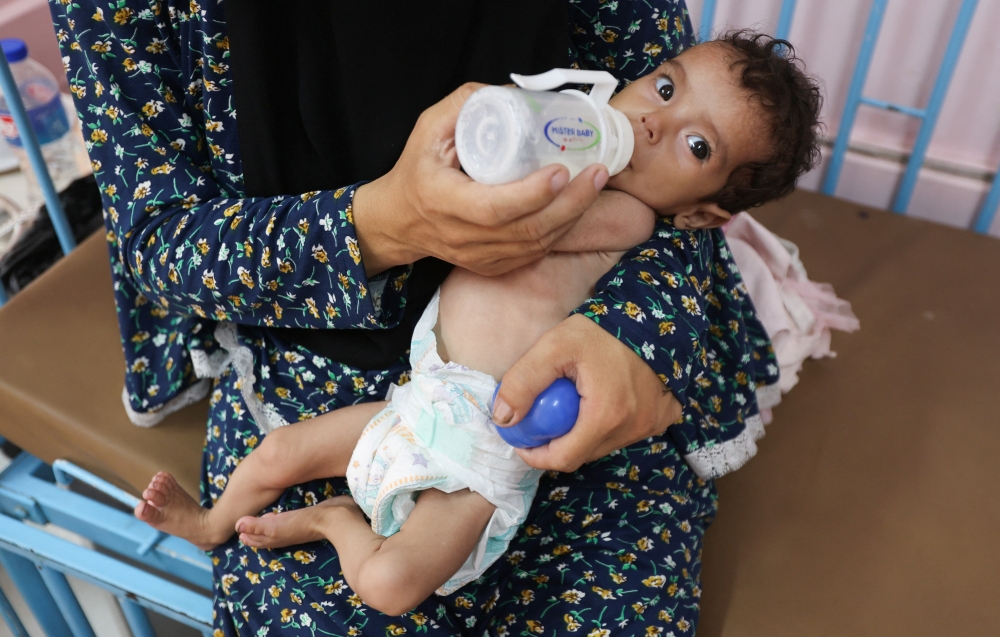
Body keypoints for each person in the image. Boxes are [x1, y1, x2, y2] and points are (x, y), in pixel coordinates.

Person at [49, 0, 787, 633]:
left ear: (702, 207)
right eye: (661, 89)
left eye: (694, 144)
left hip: (498, 423)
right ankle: (215, 522)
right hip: (354, 366)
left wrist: (623, 335)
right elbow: (159, 241)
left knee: (410, 582)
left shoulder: (629, 214)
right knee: (281, 464)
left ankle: (336, 518)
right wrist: (385, 223)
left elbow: (653, 232)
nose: (653, 123)